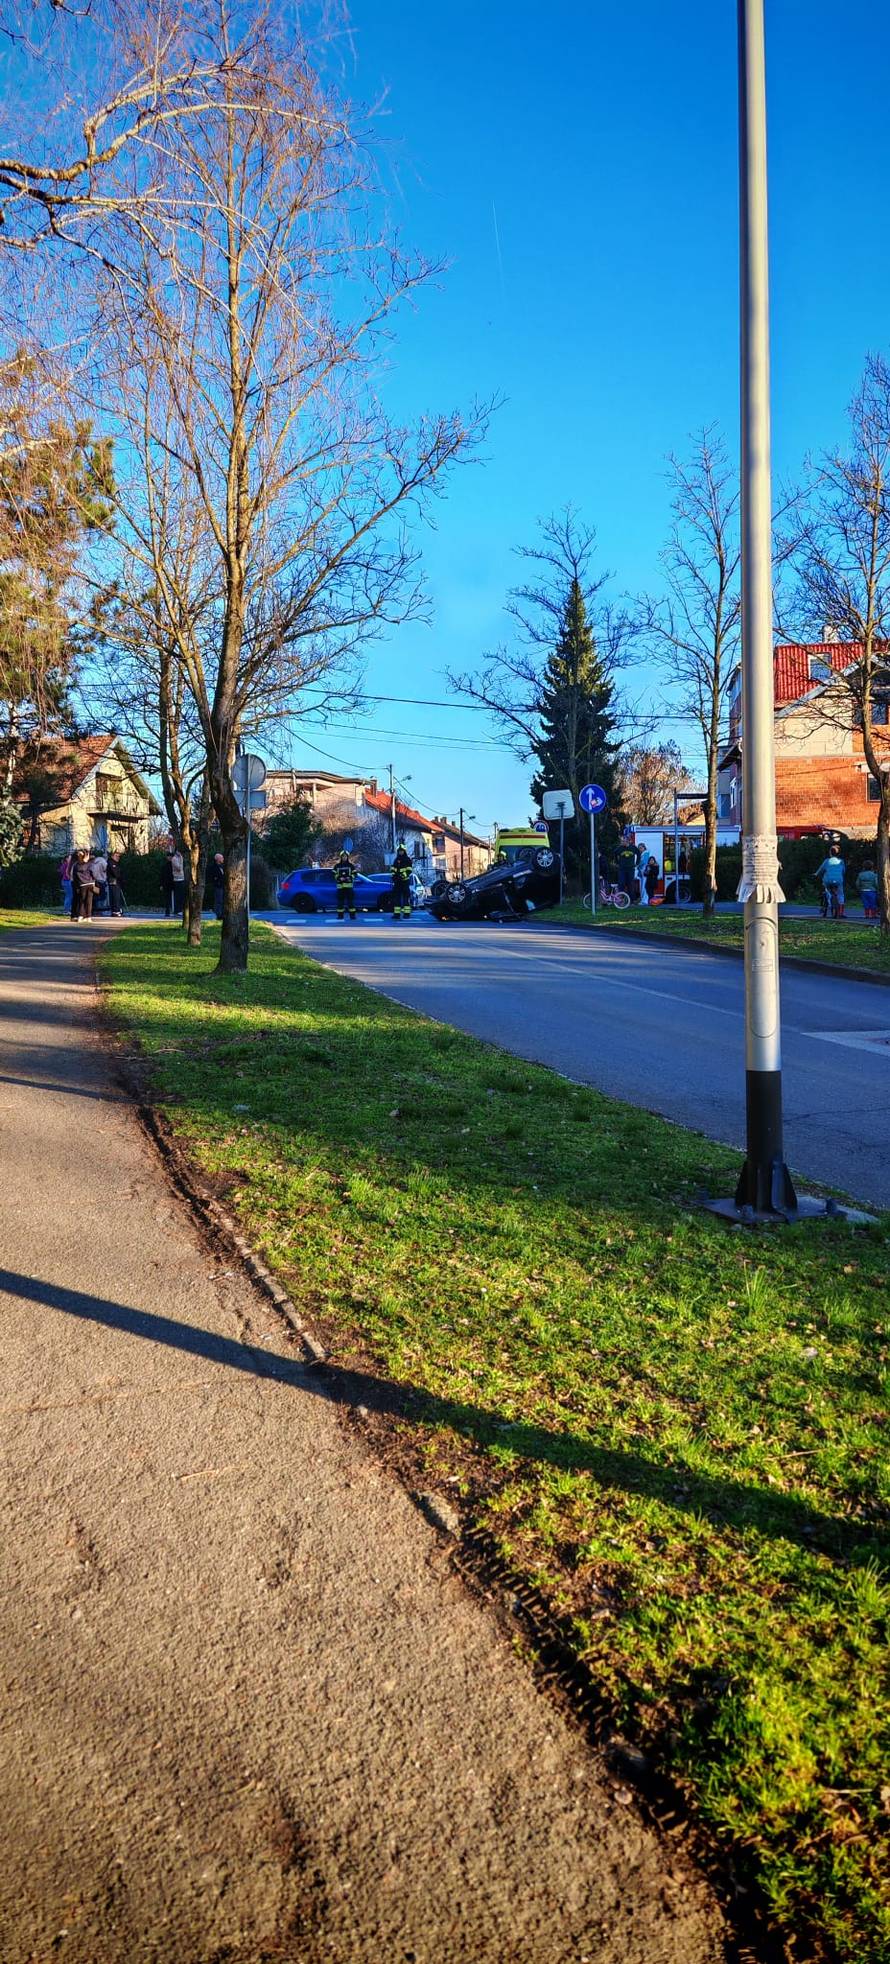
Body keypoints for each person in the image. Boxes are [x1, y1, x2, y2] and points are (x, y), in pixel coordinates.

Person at [815, 845, 846, 918]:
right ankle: (841, 912)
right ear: (839, 853)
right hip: (838, 880)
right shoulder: (841, 861)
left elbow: (821, 869)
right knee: (840, 894)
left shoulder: (827, 861)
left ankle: (829, 902)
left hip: (828, 880)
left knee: (827, 891)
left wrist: (816, 874)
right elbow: (844, 871)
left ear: (830, 853)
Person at [70, 849, 97, 921]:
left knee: (81, 901)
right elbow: (93, 873)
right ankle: (88, 916)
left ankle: (80, 916)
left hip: (81, 884)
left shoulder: (76, 865)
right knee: (89, 901)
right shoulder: (89, 864)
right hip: (90, 883)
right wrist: (94, 880)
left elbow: (74, 876)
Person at [333, 847, 358, 920]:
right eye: (343, 856)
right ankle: (340, 916)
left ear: (347, 857)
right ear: (341, 857)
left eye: (345, 856)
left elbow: (355, 874)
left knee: (350, 902)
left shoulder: (351, 865)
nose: (344, 857)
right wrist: (339, 878)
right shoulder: (337, 866)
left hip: (349, 887)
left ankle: (352, 916)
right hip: (340, 887)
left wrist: (350, 877)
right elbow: (334, 874)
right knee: (340, 902)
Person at [391, 840, 413, 920]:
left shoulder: (407, 859)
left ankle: (406, 914)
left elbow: (409, 870)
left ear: (404, 851)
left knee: (405, 898)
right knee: (396, 898)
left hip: (404, 882)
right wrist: (394, 876)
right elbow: (393, 869)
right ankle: (396, 914)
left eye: (402, 851)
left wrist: (402, 876)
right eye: (399, 851)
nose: (400, 852)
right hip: (397, 882)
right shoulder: (396, 860)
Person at [89, 847, 108, 914]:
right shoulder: (102, 861)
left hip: (94, 881)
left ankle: (95, 909)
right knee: (101, 896)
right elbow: (106, 869)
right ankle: (100, 910)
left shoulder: (91, 862)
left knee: (95, 896)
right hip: (101, 880)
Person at [106, 851, 125, 916]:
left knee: (116, 896)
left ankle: (116, 910)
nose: (118, 858)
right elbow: (115, 873)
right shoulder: (111, 863)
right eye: (116, 856)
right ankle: (116, 910)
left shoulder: (116, 863)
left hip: (116, 881)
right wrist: (120, 878)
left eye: (119, 856)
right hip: (113, 881)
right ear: (112, 856)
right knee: (115, 896)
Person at [170, 846, 185, 917]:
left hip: (182, 878)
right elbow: (179, 868)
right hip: (177, 879)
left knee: (181, 895)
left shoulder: (180, 857)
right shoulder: (174, 859)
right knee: (178, 895)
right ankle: (177, 910)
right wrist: (181, 861)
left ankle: (180, 909)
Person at [210, 851, 225, 920]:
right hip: (218, 886)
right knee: (218, 900)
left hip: (222, 885)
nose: (223, 859)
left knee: (221, 900)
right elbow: (213, 876)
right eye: (222, 858)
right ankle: (218, 914)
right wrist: (217, 882)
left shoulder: (222, 866)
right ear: (218, 859)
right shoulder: (214, 867)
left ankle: (221, 913)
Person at [161, 849, 175, 917]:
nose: (170, 858)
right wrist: (161, 884)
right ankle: (167, 911)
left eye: (171, 857)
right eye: (168, 856)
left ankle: (176, 910)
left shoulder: (174, 865)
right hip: (167, 884)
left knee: (175, 897)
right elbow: (162, 875)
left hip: (174, 883)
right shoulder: (165, 866)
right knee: (167, 898)